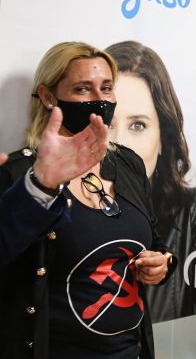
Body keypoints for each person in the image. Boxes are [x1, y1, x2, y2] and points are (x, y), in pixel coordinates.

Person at [0, 41, 173, 359]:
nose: (99, 99)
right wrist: (43, 185)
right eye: (82, 89)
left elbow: (156, 242)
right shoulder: (20, 174)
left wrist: (162, 263)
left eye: (106, 88)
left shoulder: (128, 164)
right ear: (48, 97)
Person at [106, 41, 196, 322]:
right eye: (108, 123)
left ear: (163, 139)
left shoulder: (188, 211)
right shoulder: (62, 205)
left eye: (137, 125)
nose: (118, 143)